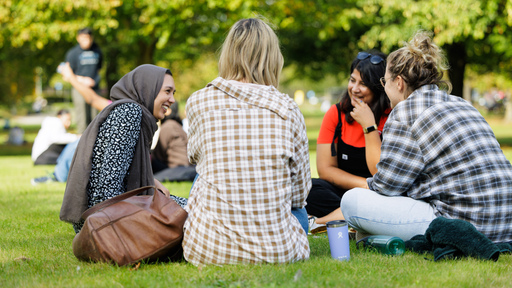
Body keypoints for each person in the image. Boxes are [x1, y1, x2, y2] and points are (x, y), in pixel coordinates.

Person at [341, 31, 512, 243]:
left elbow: (387, 186)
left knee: (351, 201)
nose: (384, 88)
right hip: (506, 223)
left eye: (384, 81)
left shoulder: (404, 112)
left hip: (465, 226)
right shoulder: (461, 103)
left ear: (399, 83)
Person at [183, 18, 311, 266]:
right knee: (300, 212)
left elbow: (194, 157)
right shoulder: (287, 108)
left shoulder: (199, 101)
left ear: (228, 54)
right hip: (277, 252)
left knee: (202, 174)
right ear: (273, 57)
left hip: (206, 251)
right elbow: (299, 196)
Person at [59, 64, 187, 234]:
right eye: (167, 91)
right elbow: (108, 188)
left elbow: (119, 170)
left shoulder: (136, 115)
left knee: (194, 206)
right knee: (195, 213)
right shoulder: (129, 112)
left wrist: (152, 182)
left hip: (109, 215)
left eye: (173, 93)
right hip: (105, 221)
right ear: (147, 88)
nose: (172, 99)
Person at [306, 51, 391, 233]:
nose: (355, 88)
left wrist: (369, 126)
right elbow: (325, 169)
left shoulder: (392, 117)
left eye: (364, 84)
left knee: (389, 200)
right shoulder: (335, 114)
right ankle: (357, 219)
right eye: (353, 80)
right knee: (310, 188)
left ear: (379, 87)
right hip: (348, 193)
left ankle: (323, 222)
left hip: (382, 194)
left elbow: (382, 173)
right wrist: (367, 186)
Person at [31, 63, 111, 185]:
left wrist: (72, 78)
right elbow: (93, 99)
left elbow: (93, 99)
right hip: (42, 156)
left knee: (78, 144)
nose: (68, 123)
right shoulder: (54, 123)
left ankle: (58, 176)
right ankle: (59, 174)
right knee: (76, 144)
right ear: (59, 117)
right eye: (66, 120)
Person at [65, 27, 103, 133]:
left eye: (88, 38)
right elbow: (66, 73)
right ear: (78, 38)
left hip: (94, 89)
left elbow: (99, 69)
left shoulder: (97, 51)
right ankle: (82, 143)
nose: (86, 40)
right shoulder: (72, 53)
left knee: (96, 118)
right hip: (79, 89)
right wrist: (82, 80)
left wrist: (94, 81)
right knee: (82, 118)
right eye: (84, 38)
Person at [151, 102, 197, 182]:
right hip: (188, 167)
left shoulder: (168, 126)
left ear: (168, 111)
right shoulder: (177, 125)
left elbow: (158, 154)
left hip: (177, 167)